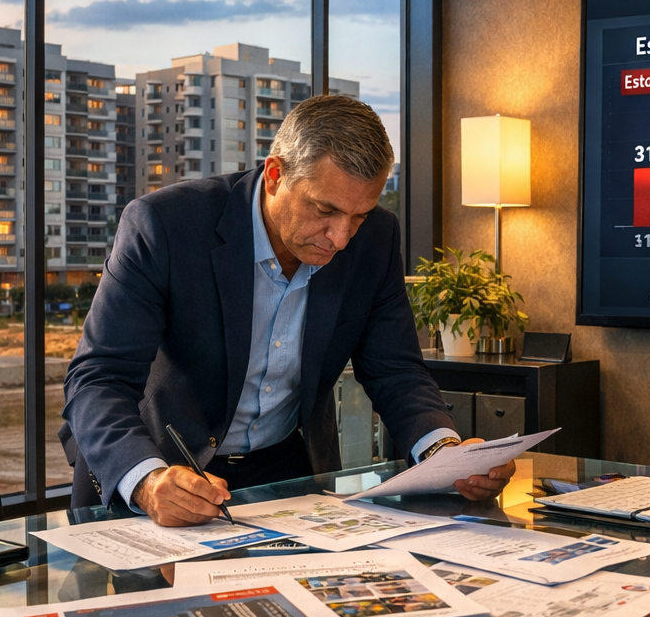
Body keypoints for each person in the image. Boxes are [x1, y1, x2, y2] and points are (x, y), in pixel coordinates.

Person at [61, 95, 513, 524]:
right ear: (275, 175)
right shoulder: (165, 225)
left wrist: (444, 452)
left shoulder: (376, 238)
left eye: (358, 216)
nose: (340, 238)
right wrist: (145, 479)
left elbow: (396, 370)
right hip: (165, 472)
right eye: (325, 210)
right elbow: (98, 376)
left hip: (289, 477)